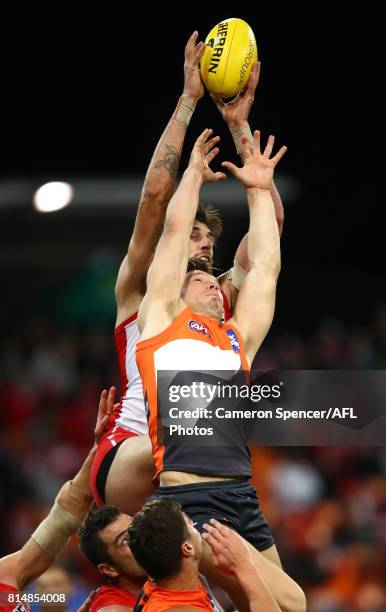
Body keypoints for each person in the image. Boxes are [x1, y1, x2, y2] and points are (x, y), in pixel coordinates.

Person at [90, 35, 285, 517]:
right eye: (192, 234)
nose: (203, 245)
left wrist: (239, 128)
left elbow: (270, 230)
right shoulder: (142, 289)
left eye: (208, 239)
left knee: (266, 592)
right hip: (131, 449)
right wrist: (188, 101)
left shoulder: (216, 296)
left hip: (190, 464)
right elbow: (157, 194)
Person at [135, 129, 305, 612]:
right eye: (203, 280)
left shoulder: (237, 338)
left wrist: (257, 188)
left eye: (216, 282)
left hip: (241, 495)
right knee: (279, 600)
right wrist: (191, 176)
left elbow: (267, 268)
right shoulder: (162, 322)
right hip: (192, 501)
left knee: (287, 604)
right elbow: (172, 236)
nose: (214, 286)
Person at [0, 388, 114, 612]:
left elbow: (64, 517)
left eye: (58, 586)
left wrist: (99, 449)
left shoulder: (4, 583)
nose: (51, 591)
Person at [128, 499, 281, 611]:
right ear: (187, 548)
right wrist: (244, 565)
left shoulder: (171, 584)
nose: (197, 529)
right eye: (192, 525)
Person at [78, 506, 146, 612]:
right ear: (109, 569)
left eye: (138, 528)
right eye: (125, 540)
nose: (142, 539)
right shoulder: (113, 609)